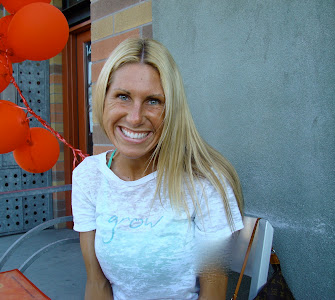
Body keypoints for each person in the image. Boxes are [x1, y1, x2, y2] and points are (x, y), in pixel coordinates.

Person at [72, 38, 244, 300]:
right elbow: (97, 284)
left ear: (171, 110)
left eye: (153, 101)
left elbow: (214, 288)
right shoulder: (88, 176)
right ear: (103, 98)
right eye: (123, 96)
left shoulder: (205, 183)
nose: (135, 117)